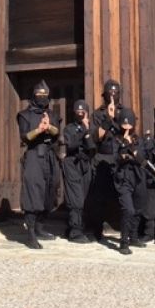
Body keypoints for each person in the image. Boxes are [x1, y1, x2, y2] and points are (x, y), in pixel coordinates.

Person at [17, 79, 61, 249]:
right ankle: (30, 234)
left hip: (50, 156)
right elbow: (24, 137)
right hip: (34, 156)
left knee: (50, 192)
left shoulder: (52, 114)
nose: (42, 97)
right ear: (33, 95)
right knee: (33, 193)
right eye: (39, 94)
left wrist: (48, 127)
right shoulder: (24, 115)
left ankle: (41, 228)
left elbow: (57, 132)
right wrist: (39, 130)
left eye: (45, 95)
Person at [88, 78, 125, 240]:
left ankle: (123, 226)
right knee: (100, 195)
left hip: (120, 156)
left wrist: (116, 117)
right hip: (102, 156)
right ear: (104, 94)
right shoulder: (97, 113)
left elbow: (128, 133)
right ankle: (97, 228)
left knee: (121, 193)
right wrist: (107, 119)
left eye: (115, 93)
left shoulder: (124, 111)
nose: (112, 95)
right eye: (110, 92)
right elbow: (96, 137)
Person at [112, 107, 147, 255]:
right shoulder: (115, 140)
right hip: (123, 179)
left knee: (138, 209)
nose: (126, 128)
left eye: (129, 125)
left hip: (137, 177)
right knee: (128, 209)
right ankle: (123, 242)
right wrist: (124, 146)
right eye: (124, 125)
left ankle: (133, 236)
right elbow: (117, 158)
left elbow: (141, 160)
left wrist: (131, 147)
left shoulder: (139, 140)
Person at [60, 99, 96, 242]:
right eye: (78, 112)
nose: (80, 114)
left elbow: (92, 147)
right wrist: (83, 131)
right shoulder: (69, 128)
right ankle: (75, 232)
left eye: (83, 112)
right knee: (76, 199)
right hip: (72, 163)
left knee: (85, 197)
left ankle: (77, 227)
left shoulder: (92, 128)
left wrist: (87, 131)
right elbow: (71, 144)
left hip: (85, 164)